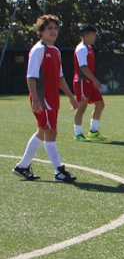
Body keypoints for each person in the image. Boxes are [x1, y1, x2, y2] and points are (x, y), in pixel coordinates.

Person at [12, 15, 78, 183]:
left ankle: (22, 166)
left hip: (52, 98)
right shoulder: (38, 50)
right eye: (49, 28)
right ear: (41, 32)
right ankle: (59, 171)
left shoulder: (55, 51)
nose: (53, 31)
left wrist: (71, 97)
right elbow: (31, 77)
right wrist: (35, 99)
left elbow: (60, 77)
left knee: (42, 132)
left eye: (55, 28)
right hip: (42, 99)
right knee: (50, 132)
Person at [72, 24, 106, 141]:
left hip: (89, 82)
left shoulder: (89, 48)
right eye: (93, 34)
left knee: (100, 104)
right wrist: (95, 80)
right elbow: (83, 67)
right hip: (82, 82)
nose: (95, 37)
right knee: (82, 107)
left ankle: (93, 131)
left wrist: (93, 81)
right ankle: (78, 134)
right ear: (86, 35)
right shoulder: (81, 48)